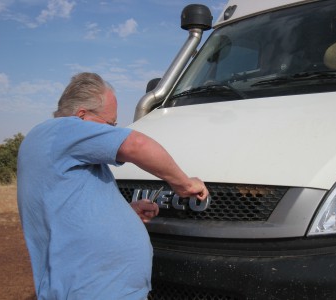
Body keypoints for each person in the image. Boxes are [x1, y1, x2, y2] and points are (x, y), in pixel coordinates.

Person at [17, 72, 209, 299]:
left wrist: (125, 212)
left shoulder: (55, 141)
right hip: (92, 290)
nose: (111, 130)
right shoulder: (62, 129)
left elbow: (66, 208)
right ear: (81, 116)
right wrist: (184, 184)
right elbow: (136, 144)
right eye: (110, 124)